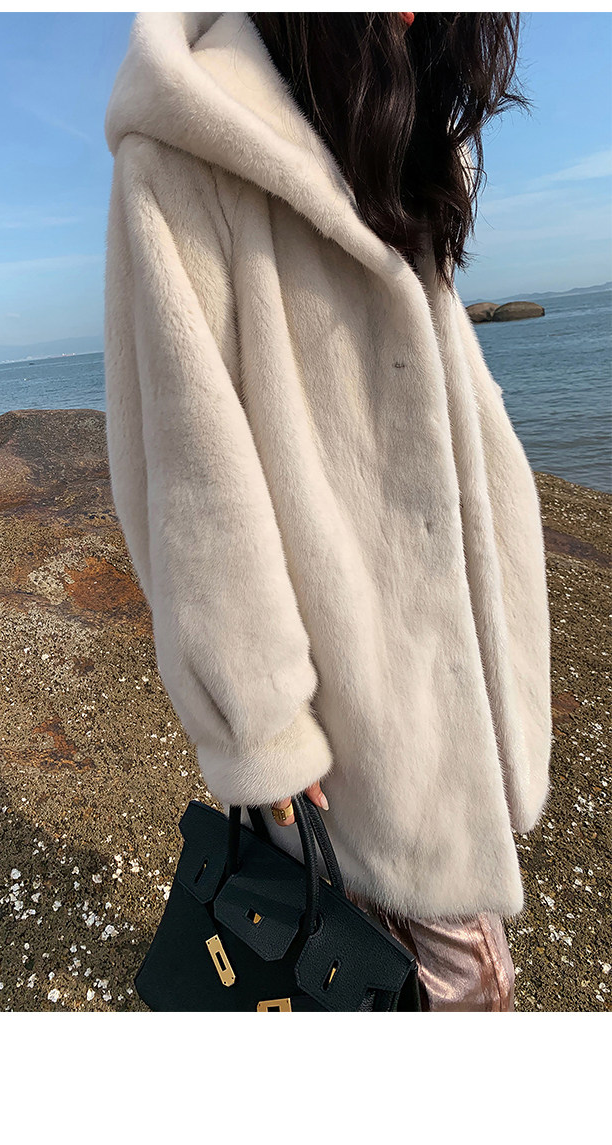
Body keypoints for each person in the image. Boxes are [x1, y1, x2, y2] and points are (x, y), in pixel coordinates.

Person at [102, 13, 552, 1011]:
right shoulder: (188, 134)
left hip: (452, 653)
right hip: (344, 695)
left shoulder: (388, 114)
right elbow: (194, 472)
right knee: (446, 978)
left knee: (443, 967)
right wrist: (260, 721)